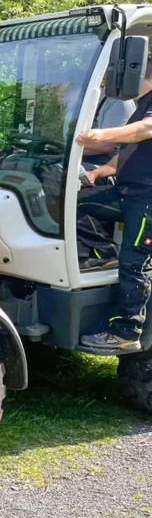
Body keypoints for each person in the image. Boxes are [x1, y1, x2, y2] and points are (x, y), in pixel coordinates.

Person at [74, 58, 152, 351]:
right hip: (126, 192)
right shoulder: (141, 104)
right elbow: (127, 154)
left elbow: (145, 131)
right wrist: (97, 172)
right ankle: (105, 254)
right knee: (77, 205)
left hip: (147, 200)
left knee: (135, 261)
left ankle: (128, 330)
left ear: (135, 77)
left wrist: (100, 134)